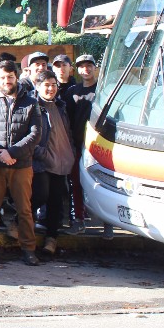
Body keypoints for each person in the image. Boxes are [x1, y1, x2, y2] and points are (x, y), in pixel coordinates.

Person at [0, 61, 43, 266]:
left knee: (24, 209)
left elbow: (35, 134)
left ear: (16, 76)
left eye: (10, 77)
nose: (6, 81)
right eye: (3, 77)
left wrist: (11, 152)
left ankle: (29, 249)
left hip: (21, 164)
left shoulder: (31, 103)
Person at [31, 70, 75, 257]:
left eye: (53, 85)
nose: (50, 89)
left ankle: (51, 238)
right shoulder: (32, 105)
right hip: (41, 159)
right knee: (40, 194)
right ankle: (20, 222)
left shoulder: (61, 105)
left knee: (57, 199)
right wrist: (41, 152)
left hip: (62, 158)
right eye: (46, 85)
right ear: (37, 86)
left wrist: (71, 152)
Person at [66, 54, 98, 234]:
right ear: (76, 70)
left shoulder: (103, 90)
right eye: (82, 66)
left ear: (95, 67)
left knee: (102, 183)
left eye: (89, 65)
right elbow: (68, 119)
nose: (86, 69)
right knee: (76, 183)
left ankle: (107, 224)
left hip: (98, 146)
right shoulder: (72, 91)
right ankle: (78, 219)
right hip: (77, 144)